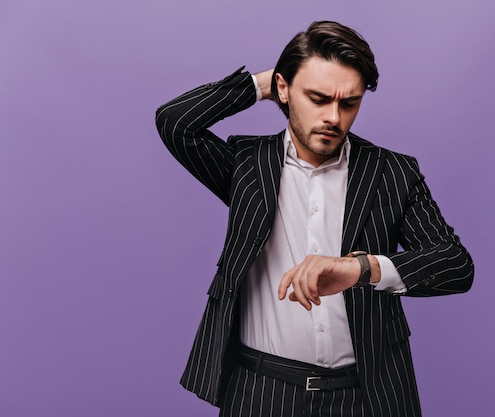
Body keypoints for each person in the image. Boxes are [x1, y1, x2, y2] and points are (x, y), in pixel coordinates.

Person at [155, 20, 474, 417]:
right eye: (318, 98)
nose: (334, 118)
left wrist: (362, 267)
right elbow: (175, 121)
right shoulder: (247, 166)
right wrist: (261, 84)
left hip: (366, 394)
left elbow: (456, 266)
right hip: (260, 391)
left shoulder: (392, 172)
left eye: (349, 103)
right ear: (285, 89)